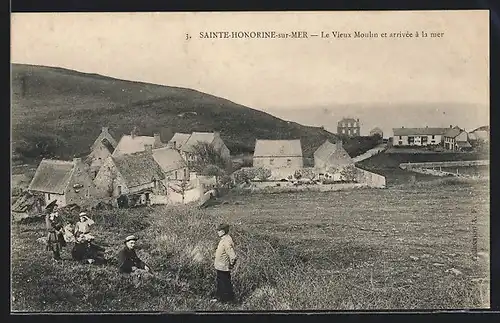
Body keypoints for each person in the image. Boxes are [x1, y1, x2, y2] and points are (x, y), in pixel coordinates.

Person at [212, 223, 238, 303]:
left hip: (223, 267)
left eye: (219, 230)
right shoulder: (224, 239)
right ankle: (222, 299)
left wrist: (231, 265)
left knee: (224, 284)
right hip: (220, 266)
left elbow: (233, 256)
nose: (217, 232)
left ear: (223, 231)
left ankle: (226, 300)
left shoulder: (226, 241)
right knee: (222, 283)